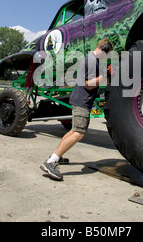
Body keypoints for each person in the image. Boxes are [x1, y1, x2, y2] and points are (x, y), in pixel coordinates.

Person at [40, 38, 113, 180]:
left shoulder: (92, 59)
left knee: (74, 130)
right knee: (78, 133)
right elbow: (89, 85)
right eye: (108, 54)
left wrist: (106, 75)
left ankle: (57, 156)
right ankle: (51, 162)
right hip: (82, 101)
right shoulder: (92, 61)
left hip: (80, 99)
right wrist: (105, 76)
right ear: (103, 49)